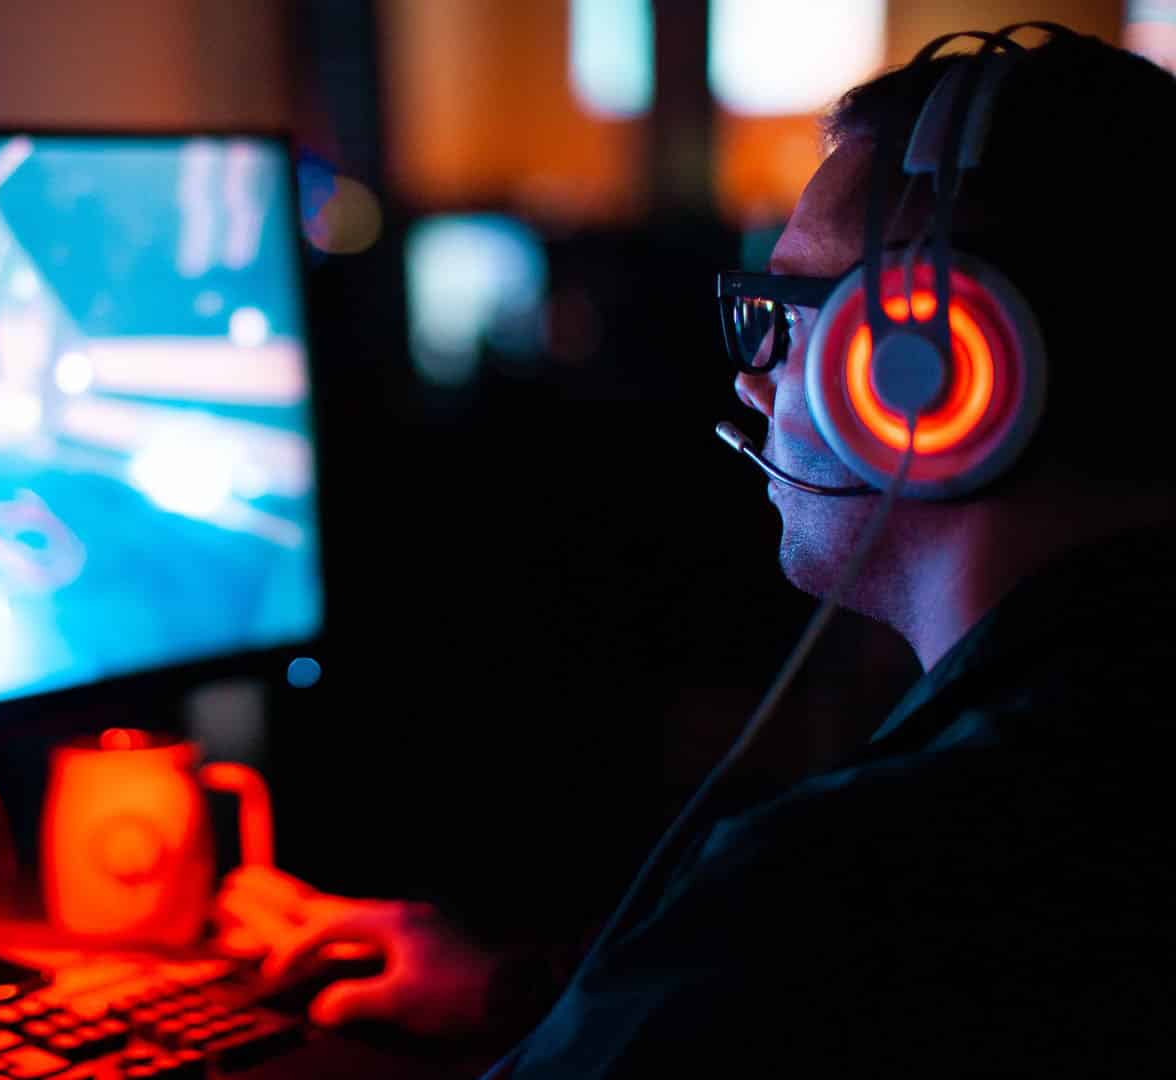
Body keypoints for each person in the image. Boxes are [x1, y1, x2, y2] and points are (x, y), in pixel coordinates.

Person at [216, 26, 1176, 1076]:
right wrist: (508, 993)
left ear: (940, 372)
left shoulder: (841, 886)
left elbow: (804, 970)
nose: (750, 383)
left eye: (796, 313)